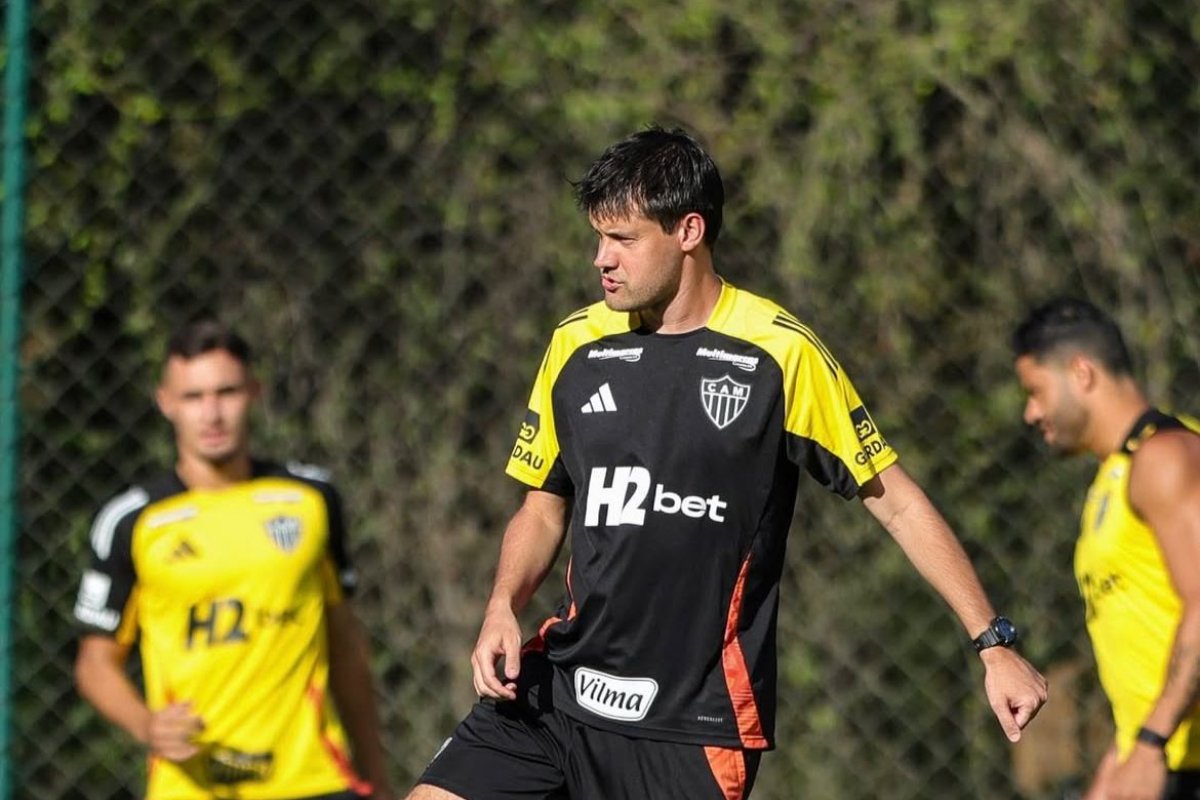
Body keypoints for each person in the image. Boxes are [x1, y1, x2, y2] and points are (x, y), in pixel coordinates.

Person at [408, 127, 1047, 800]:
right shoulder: (576, 343)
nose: (602, 259)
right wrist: (501, 606)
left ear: (688, 230)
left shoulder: (779, 354)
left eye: (623, 240)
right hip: (560, 696)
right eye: (598, 238)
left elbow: (899, 504)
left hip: (691, 726)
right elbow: (541, 508)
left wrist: (993, 643)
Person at [72, 320, 394, 800]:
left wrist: (376, 780)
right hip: (193, 787)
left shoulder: (309, 499)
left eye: (226, 392)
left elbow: (345, 644)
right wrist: (147, 725)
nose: (212, 413)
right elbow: (95, 663)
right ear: (165, 402)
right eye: (193, 397)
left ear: (254, 392)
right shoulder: (132, 521)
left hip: (316, 780)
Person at [1012, 297, 1200, 800]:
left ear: (1081, 373)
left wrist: (1151, 742)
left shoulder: (1166, 457)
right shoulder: (1114, 478)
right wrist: (1122, 763)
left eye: (1035, 391)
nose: (1031, 412)